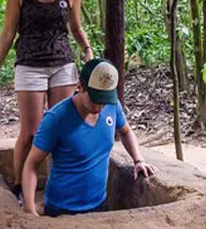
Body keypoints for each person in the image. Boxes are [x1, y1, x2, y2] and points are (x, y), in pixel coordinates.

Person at [0, 0, 93, 207]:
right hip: (29, 65)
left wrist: (87, 49)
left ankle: (57, 185)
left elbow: (75, 28)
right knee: (31, 133)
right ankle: (19, 185)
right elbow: (7, 33)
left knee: (61, 128)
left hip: (62, 64)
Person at [21, 58, 156, 216]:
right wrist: (30, 208)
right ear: (81, 87)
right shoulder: (56, 118)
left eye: (104, 101)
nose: (100, 107)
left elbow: (126, 132)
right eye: (95, 99)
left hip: (99, 204)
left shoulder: (113, 106)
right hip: (62, 210)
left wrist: (138, 160)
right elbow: (31, 164)